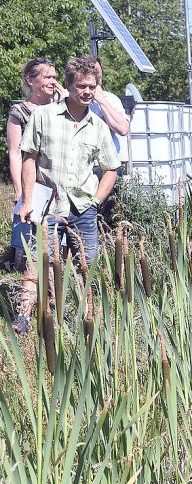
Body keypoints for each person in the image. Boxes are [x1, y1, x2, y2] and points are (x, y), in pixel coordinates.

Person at [12, 56, 121, 334]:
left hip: (83, 208)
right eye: (82, 86)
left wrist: (95, 202)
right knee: (41, 264)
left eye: (92, 87)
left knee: (88, 269)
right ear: (69, 85)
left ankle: (90, 322)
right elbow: (29, 158)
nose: (87, 92)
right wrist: (26, 199)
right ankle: (30, 320)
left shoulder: (98, 126)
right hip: (49, 205)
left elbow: (112, 169)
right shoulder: (43, 116)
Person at [4, 58, 67, 271]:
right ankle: (26, 279)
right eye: (47, 77)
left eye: (55, 77)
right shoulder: (19, 112)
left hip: (60, 183)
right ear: (30, 80)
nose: (53, 81)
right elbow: (14, 153)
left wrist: (67, 101)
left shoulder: (62, 108)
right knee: (28, 241)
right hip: (34, 184)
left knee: (61, 242)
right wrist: (20, 190)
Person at [89, 57, 129, 162]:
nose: (96, 80)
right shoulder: (74, 99)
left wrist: (102, 101)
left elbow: (123, 129)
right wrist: (105, 123)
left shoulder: (111, 99)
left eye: (99, 77)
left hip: (109, 163)